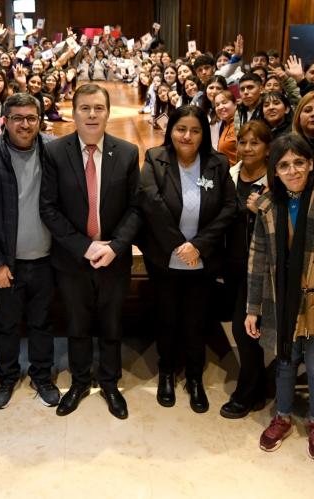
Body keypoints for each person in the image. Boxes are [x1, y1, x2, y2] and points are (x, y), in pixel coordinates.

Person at [245, 133, 314, 460]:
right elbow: (258, 258)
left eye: (298, 162)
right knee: (285, 361)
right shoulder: (267, 204)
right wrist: (252, 308)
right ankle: (282, 417)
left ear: (310, 163)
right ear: (274, 171)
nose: (292, 170)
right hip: (280, 297)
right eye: (284, 165)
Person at [39, 84, 141, 419]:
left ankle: (110, 383)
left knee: (112, 325)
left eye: (98, 108)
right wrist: (84, 247)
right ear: (74, 112)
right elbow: (49, 208)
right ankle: (80, 381)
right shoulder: (55, 152)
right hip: (73, 259)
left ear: (108, 112)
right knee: (78, 325)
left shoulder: (126, 152)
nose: (92, 114)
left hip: (114, 257)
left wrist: (115, 246)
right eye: (85, 108)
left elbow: (136, 209)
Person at [138, 105, 237, 413]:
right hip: (164, 257)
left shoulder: (217, 163)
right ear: (171, 131)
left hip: (202, 260)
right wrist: (180, 245)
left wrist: (199, 246)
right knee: (166, 317)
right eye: (181, 129)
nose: (187, 136)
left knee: (197, 320)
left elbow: (230, 207)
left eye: (195, 131)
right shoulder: (155, 158)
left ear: (203, 134)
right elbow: (150, 202)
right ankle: (166, 372)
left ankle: (194, 378)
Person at [0, 93, 59, 410]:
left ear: (39, 120)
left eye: (31, 118)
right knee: (6, 324)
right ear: (4, 120)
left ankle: (42, 375)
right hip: (8, 263)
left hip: (47, 259)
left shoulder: (54, 151)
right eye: (17, 117)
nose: (25, 124)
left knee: (42, 323)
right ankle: (6, 375)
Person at [221, 120, 272, 419]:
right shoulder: (229, 175)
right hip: (230, 262)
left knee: (244, 328)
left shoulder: (275, 181)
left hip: (259, 267)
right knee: (246, 328)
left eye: (255, 142)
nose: (247, 148)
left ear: (267, 148)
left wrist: (261, 210)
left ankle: (245, 391)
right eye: (243, 142)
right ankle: (258, 386)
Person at [213, 90, 238, 165]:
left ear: (235, 104)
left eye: (224, 103)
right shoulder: (224, 125)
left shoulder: (241, 123)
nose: (220, 107)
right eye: (217, 105)